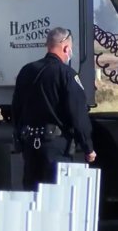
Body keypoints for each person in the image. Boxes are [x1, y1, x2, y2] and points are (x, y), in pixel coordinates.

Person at [11, 26, 96, 191]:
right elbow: (77, 114)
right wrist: (88, 147)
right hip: (56, 147)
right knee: (55, 197)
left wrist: (19, 141)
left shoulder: (27, 71)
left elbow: (16, 108)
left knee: (31, 197)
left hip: (30, 145)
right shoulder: (67, 74)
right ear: (66, 48)